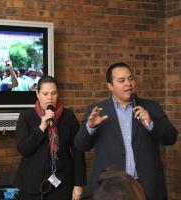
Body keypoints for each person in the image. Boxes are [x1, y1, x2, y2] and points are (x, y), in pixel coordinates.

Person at [74, 62, 178, 200]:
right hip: (112, 190)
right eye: (121, 80)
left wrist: (151, 123)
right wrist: (91, 127)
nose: (128, 83)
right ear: (110, 86)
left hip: (147, 187)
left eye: (131, 78)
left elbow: (171, 138)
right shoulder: (97, 111)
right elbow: (80, 145)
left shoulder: (151, 107)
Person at [14, 75, 87, 200]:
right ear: (37, 94)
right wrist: (42, 128)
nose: (50, 98)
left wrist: (79, 184)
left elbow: (78, 151)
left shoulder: (68, 116)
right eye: (45, 93)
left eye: (53, 93)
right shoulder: (26, 116)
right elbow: (24, 149)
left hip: (62, 182)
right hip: (31, 183)